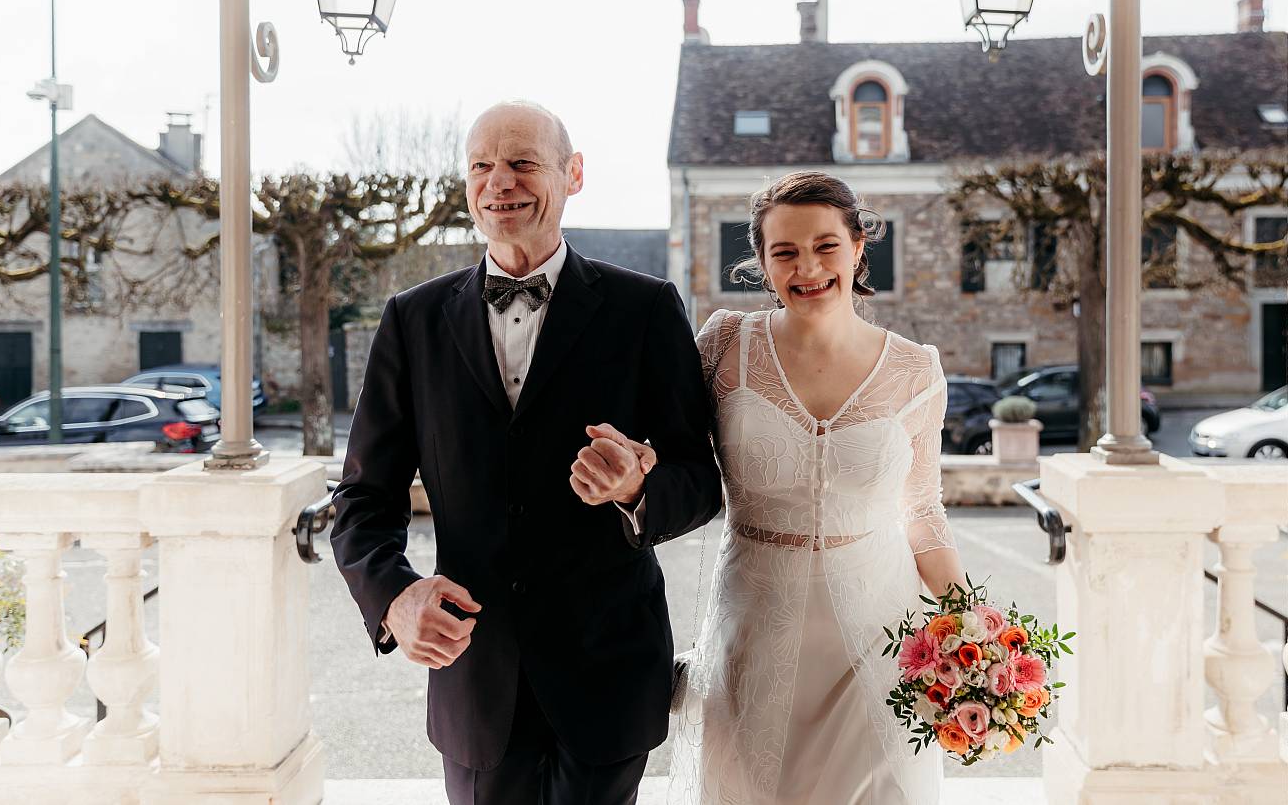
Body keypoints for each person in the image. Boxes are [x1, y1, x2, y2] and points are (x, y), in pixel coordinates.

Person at [330, 101, 723, 805]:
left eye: (521, 163)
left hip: (608, 672)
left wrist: (637, 490)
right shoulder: (411, 321)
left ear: (573, 174)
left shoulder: (647, 309)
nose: (498, 181)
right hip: (475, 678)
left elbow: (701, 480)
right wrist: (393, 597)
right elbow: (362, 499)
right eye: (481, 165)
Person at [668, 171, 970, 804]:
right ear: (762, 262)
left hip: (879, 637)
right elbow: (674, 462)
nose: (808, 267)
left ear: (860, 246)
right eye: (785, 252)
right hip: (754, 628)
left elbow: (922, 509)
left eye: (826, 245)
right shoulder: (725, 346)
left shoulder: (917, 370)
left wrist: (972, 629)